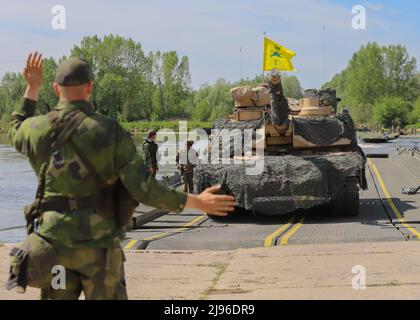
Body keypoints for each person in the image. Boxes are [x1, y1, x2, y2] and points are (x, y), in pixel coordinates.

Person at [7, 53, 236, 300]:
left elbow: (15, 127)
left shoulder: (38, 129)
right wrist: (196, 202)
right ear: (90, 88)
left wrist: (31, 89)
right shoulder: (109, 131)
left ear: (54, 88)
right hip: (100, 249)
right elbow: (144, 189)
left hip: (55, 248)